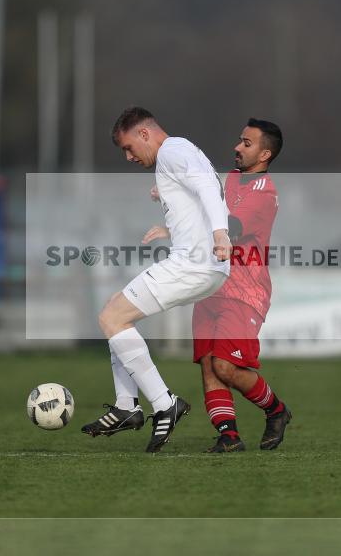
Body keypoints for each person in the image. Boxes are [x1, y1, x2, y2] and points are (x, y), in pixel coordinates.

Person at [80, 106, 232, 453]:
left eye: (129, 148)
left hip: (195, 264)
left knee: (111, 317)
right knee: (115, 316)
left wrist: (221, 235)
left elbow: (210, 188)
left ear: (145, 133)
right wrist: (174, 223)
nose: (129, 157)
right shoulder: (177, 156)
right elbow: (204, 192)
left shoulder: (174, 151)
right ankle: (125, 405)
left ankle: (164, 404)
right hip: (203, 264)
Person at [191, 118, 291, 453]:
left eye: (246, 144)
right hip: (210, 285)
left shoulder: (265, 193)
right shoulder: (232, 178)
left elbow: (229, 227)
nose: (237, 147)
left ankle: (276, 410)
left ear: (264, 154)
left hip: (244, 292)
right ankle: (229, 436)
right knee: (209, 363)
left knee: (226, 366)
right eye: (239, 140)